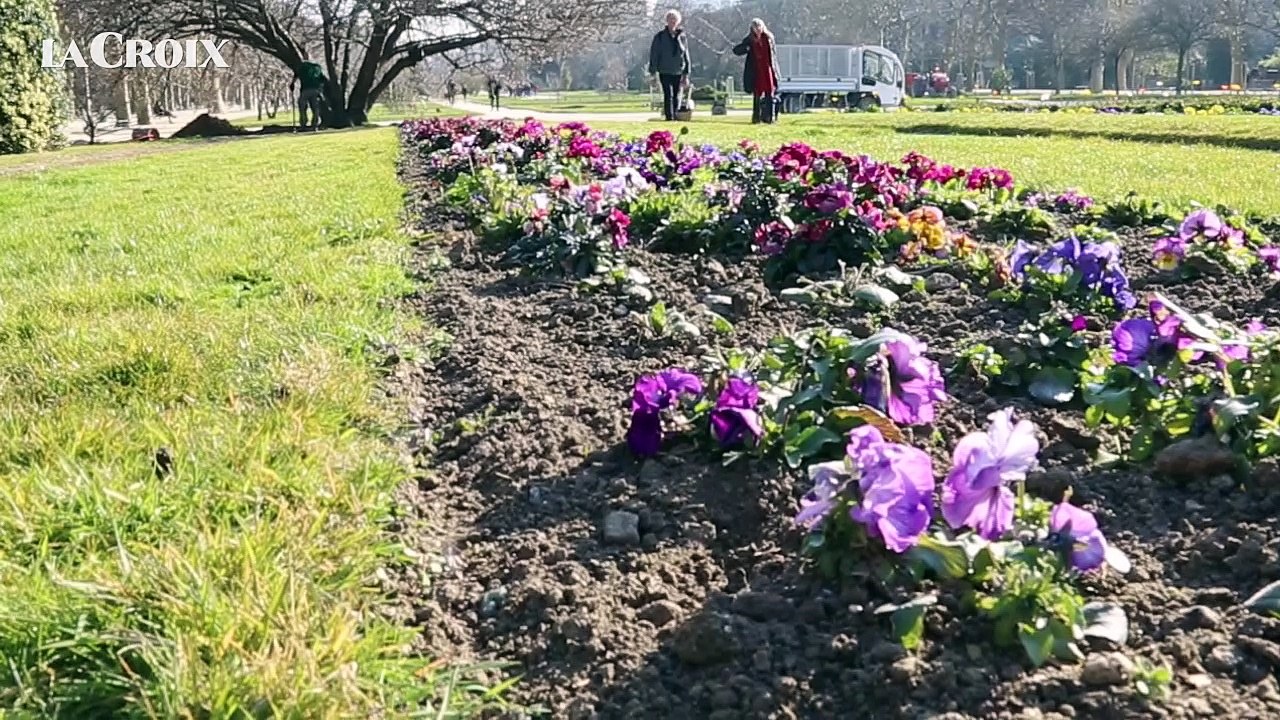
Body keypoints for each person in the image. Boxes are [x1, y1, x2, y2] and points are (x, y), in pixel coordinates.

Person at [732, 18, 780, 124]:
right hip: (756, 69)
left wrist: (776, 70)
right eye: (755, 27)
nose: (758, 29)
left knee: (770, 92)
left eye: (759, 27)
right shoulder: (749, 40)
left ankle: (770, 117)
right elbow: (736, 50)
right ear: (752, 29)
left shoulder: (769, 38)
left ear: (763, 27)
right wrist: (746, 48)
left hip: (768, 68)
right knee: (757, 93)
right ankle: (756, 117)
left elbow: (774, 55)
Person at [648, 9, 691, 121]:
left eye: (674, 19)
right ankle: (669, 116)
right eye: (670, 19)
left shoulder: (682, 36)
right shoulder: (660, 37)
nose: (672, 21)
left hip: (678, 70)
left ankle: (675, 115)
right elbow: (654, 54)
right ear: (666, 21)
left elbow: (686, 55)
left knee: (677, 95)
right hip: (664, 70)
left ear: (678, 21)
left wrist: (686, 73)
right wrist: (652, 72)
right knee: (668, 94)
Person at [291, 58, 326, 129]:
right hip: (316, 90)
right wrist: (320, 89)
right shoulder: (317, 67)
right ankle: (315, 124)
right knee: (315, 108)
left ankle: (303, 124)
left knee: (302, 107)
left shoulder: (302, 67)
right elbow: (322, 79)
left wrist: (292, 83)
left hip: (305, 90)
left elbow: (296, 75)